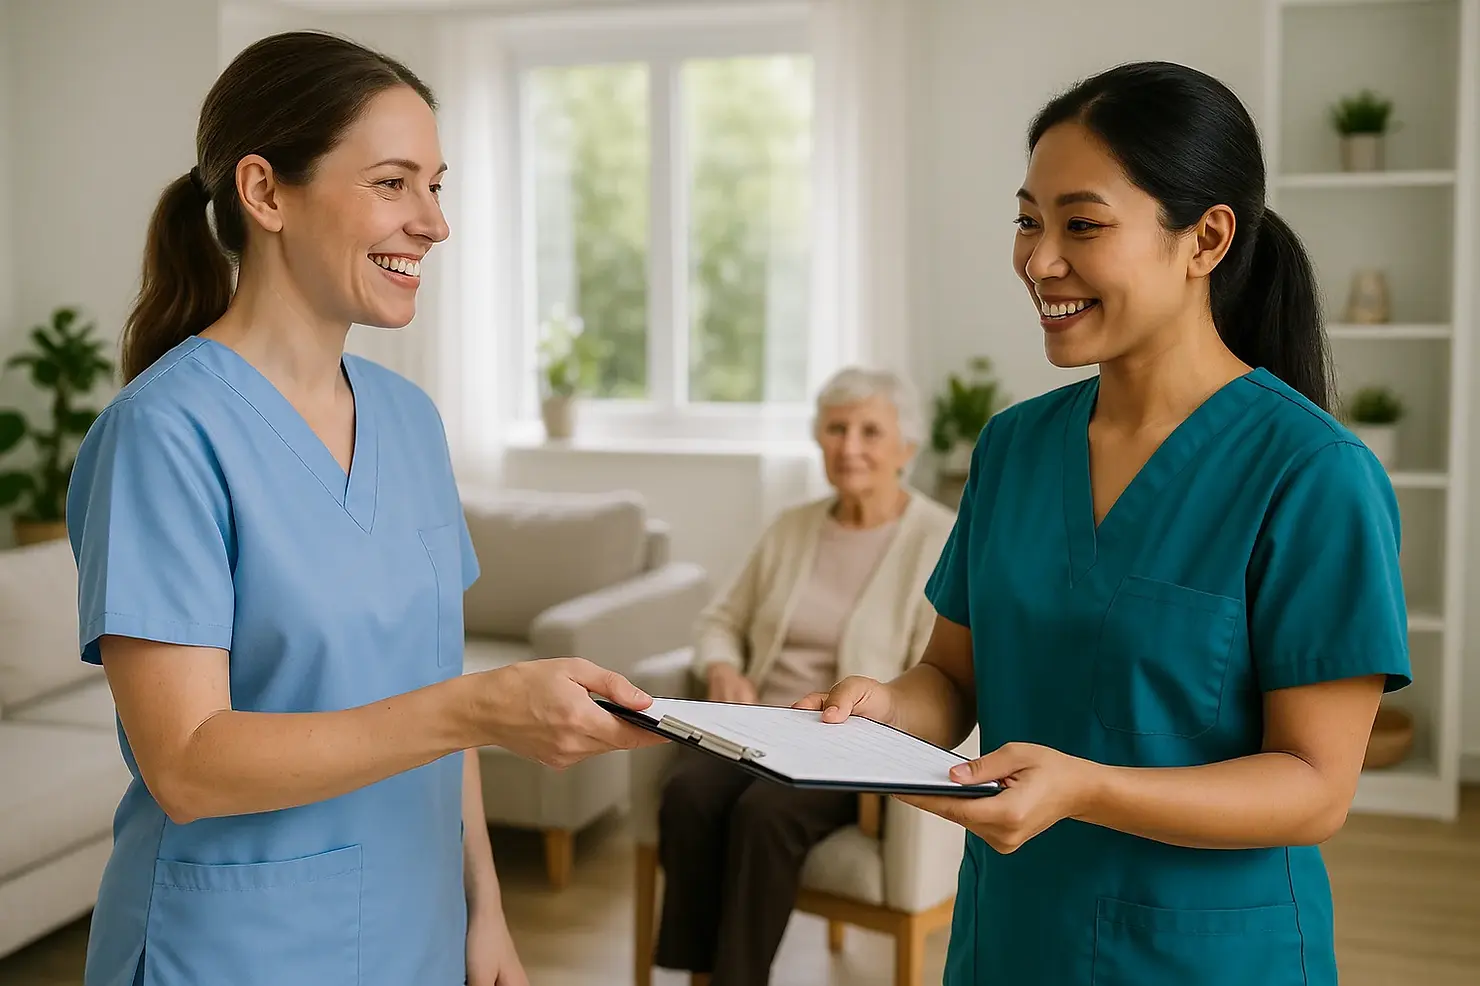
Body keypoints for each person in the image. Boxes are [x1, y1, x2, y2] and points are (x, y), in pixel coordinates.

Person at [67, 31, 661, 986]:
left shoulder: (409, 421)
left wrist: (487, 911)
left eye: (436, 184)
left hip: (415, 930)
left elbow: (438, 676)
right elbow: (188, 763)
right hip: (234, 949)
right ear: (265, 193)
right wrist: (477, 708)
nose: (433, 222)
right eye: (392, 184)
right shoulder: (165, 435)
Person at [800, 61, 1410, 986]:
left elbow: (1316, 787)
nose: (1040, 261)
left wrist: (1087, 789)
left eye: (1081, 225)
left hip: (1205, 952)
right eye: (1028, 220)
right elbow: (950, 679)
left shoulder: (1314, 475)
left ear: (1206, 239)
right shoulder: (1012, 447)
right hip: (1011, 936)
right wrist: (879, 709)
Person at [653, 367, 957, 986]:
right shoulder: (793, 526)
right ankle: (697, 973)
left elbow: (935, 670)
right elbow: (721, 618)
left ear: (907, 448)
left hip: (847, 740)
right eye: (836, 429)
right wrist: (724, 668)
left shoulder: (937, 538)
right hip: (760, 723)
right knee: (686, 794)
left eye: (871, 431)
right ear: (818, 439)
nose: (850, 447)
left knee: (766, 814)